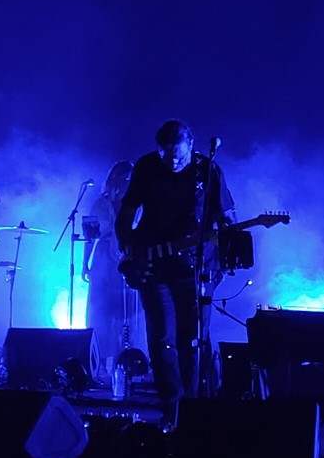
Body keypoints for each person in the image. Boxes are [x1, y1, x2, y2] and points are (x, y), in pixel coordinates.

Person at [115, 120, 236, 421]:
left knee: (192, 340)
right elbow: (126, 215)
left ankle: (192, 410)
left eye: (178, 155)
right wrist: (129, 252)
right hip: (155, 264)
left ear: (190, 145)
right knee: (162, 339)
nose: (172, 161)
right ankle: (172, 408)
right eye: (165, 154)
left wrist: (225, 239)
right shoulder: (147, 166)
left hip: (195, 267)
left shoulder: (207, 170)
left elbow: (226, 215)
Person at [82, 160, 147, 388]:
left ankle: (124, 363)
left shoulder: (137, 203)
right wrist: (84, 263)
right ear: (115, 179)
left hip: (126, 257)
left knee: (124, 311)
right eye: (125, 177)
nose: (129, 181)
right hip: (103, 258)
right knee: (101, 309)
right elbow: (90, 236)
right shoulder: (99, 204)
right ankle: (98, 364)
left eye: (131, 177)